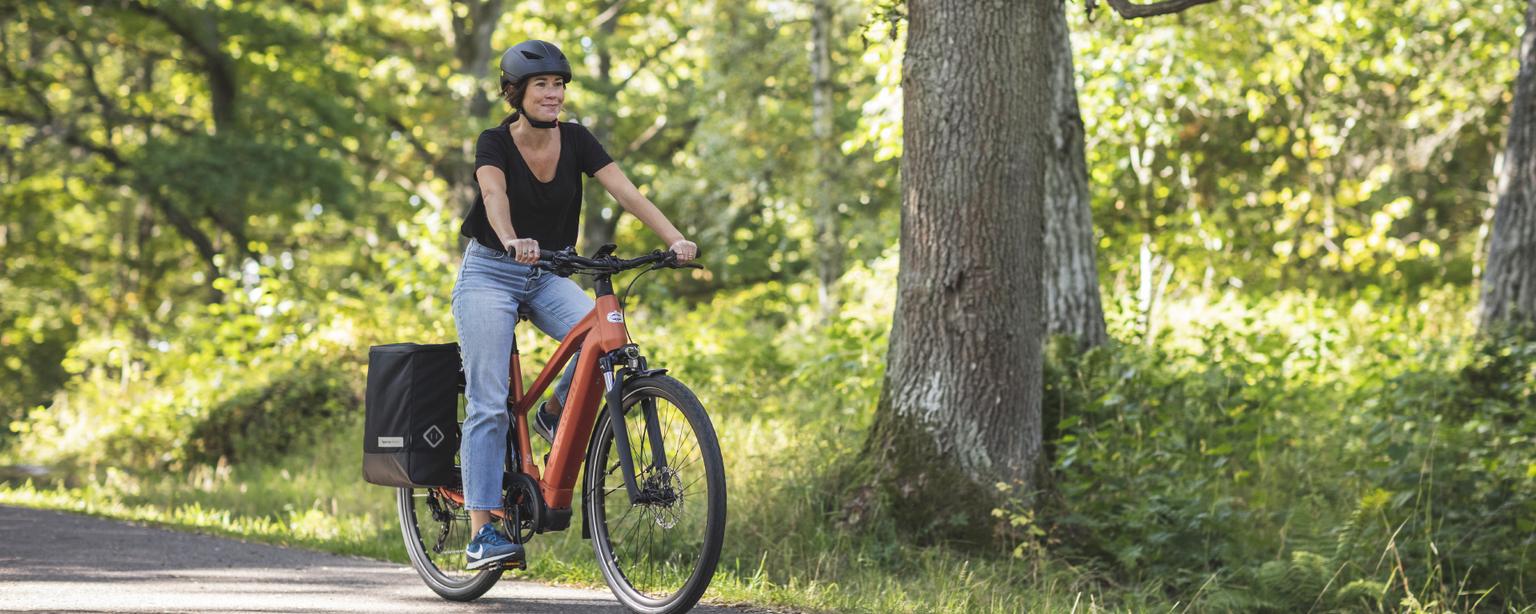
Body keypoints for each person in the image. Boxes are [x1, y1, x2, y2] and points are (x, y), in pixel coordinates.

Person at [452, 39, 698, 570]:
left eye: (559, 85)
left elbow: (627, 193)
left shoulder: (578, 140)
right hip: (492, 272)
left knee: (602, 334)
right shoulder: (494, 141)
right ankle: (482, 532)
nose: (553, 94)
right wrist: (513, 237)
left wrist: (676, 239)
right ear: (517, 92)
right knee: (490, 399)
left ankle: (555, 413)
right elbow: (493, 196)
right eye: (542, 85)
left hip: (548, 273)